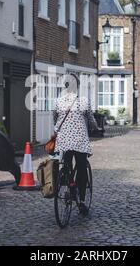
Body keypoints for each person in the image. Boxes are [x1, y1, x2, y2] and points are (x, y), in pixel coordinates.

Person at [53, 74, 99, 216]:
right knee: (81, 167)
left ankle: (67, 183)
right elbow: (91, 119)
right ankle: (82, 202)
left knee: (66, 164)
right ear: (77, 86)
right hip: (79, 141)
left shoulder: (58, 102)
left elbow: (55, 119)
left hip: (64, 140)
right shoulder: (83, 102)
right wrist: (96, 128)